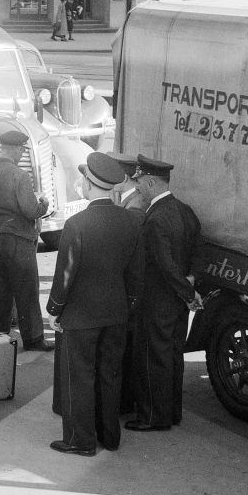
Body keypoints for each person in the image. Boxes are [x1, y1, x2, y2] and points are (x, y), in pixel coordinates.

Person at [46, 153, 144, 456]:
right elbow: (136, 272)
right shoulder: (131, 220)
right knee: (110, 375)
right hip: (116, 312)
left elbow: (65, 274)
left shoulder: (77, 224)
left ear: (89, 184)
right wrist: (126, 305)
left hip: (80, 315)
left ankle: (81, 440)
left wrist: (54, 310)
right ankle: (110, 436)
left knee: (80, 377)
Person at [125, 155, 202, 433]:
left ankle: (152, 417)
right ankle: (172, 412)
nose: (138, 190)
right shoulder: (185, 210)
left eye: (140, 184)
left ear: (151, 182)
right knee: (173, 356)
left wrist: (188, 291)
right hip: (178, 303)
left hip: (157, 302)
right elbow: (198, 250)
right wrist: (191, 284)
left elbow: (165, 265)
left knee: (152, 357)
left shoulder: (155, 219)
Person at [0, 129, 51, 351]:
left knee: (1, 289)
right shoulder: (19, 175)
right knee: (27, 290)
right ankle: (33, 339)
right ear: (17, 149)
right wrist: (44, 204)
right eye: (22, 150)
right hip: (19, 239)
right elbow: (30, 210)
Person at [110, 153, 146, 414]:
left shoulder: (135, 206)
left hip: (128, 287)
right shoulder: (129, 200)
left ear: (123, 178)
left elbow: (126, 250)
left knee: (127, 348)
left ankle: (126, 402)